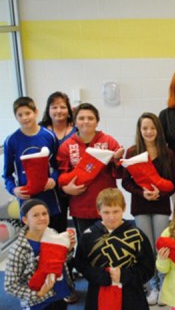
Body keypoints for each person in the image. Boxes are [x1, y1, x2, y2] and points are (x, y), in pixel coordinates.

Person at [74, 188, 155, 310]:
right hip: (100, 292)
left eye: (116, 211)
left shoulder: (136, 234)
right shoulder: (88, 235)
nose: (111, 217)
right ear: (99, 211)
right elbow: (80, 263)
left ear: (123, 209)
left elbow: (148, 267)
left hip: (129, 292)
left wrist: (125, 275)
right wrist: (97, 275)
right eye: (106, 212)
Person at [4, 199, 75, 310]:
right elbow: (10, 285)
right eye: (35, 215)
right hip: (37, 303)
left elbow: (62, 262)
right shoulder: (19, 249)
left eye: (44, 213)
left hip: (58, 297)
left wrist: (68, 250)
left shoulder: (53, 236)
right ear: (25, 220)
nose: (42, 218)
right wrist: (36, 293)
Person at [122, 112, 175, 305]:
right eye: (145, 128)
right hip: (140, 206)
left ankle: (164, 285)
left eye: (152, 128)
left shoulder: (167, 153)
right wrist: (142, 193)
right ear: (139, 130)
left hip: (161, 205)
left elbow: (173, 183)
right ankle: (151, 286)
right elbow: (126, 182)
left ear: (158, 130)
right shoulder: (131, 153)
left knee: (161, 246)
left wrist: (159, 195)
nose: (149, 131)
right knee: (145, 248)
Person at [57, 103, 124, 237]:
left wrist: (117, 161)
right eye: (81, 118)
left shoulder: (109, 142)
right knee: (87, 247)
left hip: (108, 207)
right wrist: (65, 189)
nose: (86, 122)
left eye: (90, 118)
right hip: (81, 208)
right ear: (75, 122)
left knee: (112, 245)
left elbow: (120, 174)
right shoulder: (66, 146)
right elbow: (61, 176)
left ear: (97, 121)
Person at [3, 97, 62, 231]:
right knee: (34, 244)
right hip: (27, 201)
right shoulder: (11, 141)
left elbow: (59, 166)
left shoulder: (49, 136)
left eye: (28, 113)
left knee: (56, 239)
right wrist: (14, 189)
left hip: (50, 199)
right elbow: (7, 175)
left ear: (35, 112)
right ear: (15, 117)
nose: (25, 118)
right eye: (20, 115)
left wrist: (53, 179)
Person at [39, 91, 77, 239]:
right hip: (50, 187)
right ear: (48, 110)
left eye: (62, 107)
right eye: (54, 107)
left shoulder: (77, 128)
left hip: (75, 184)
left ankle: (70, 256)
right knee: (54, 227)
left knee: (80, 224)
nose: (58, 111)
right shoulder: (40, 130)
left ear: (69, 110)